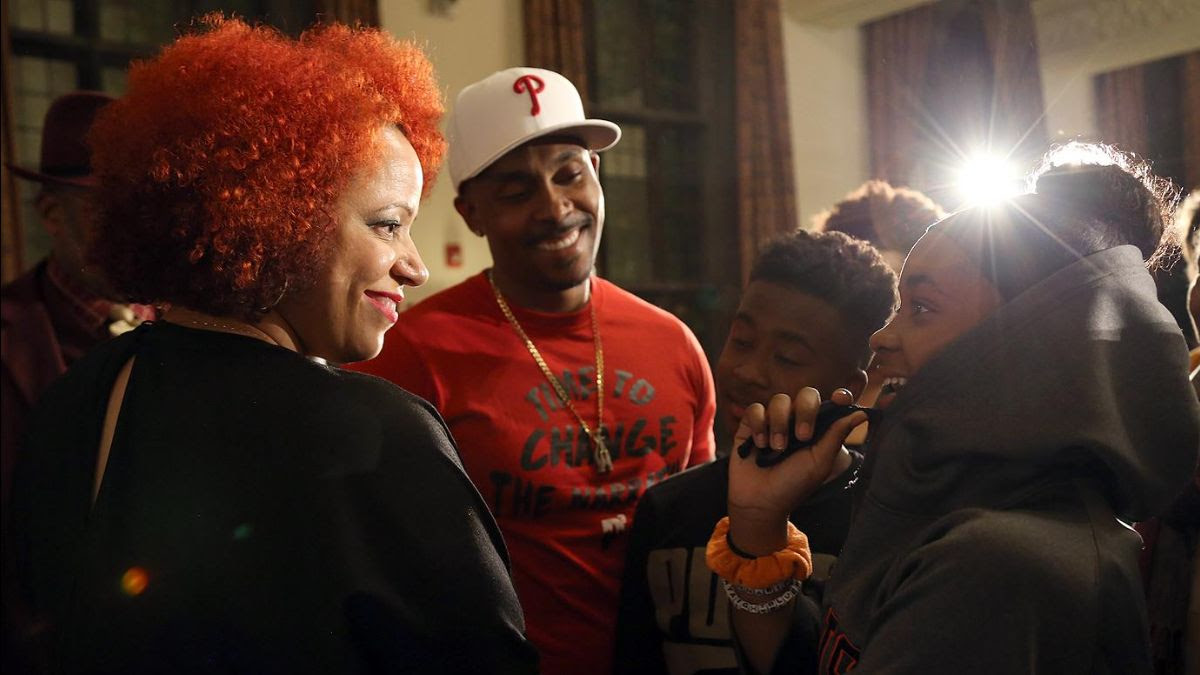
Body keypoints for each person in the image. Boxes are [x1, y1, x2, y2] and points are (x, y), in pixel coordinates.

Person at [9, 18, 538, 674]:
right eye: (388, 225)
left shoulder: (77, 401)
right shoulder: (376, 436)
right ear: (277, 219)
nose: (416, 265)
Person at [718, 143, 1200, 673]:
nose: (881, 337)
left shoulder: (999, 563)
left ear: (1025, 346)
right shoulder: (947, 499)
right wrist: (759, 526)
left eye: (921, 308)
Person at [353, 67, 716, 675]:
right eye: (518, 191)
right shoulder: (415, 352)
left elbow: (701, 531)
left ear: (596, 176)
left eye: (570, 174)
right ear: (472, 213)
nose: (556, 208)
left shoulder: (672, 342)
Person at [613, 230, 896, 674]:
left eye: (786, 357)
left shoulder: (880, 520)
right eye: (742, 341)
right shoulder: (667, 509)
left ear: (849, 388)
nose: (746, 372)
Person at [1, 91, 156, 512]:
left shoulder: (195, 317)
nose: (137, 229)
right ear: (51, 213)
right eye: (107, 209)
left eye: (145, 206)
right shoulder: (15, 333)